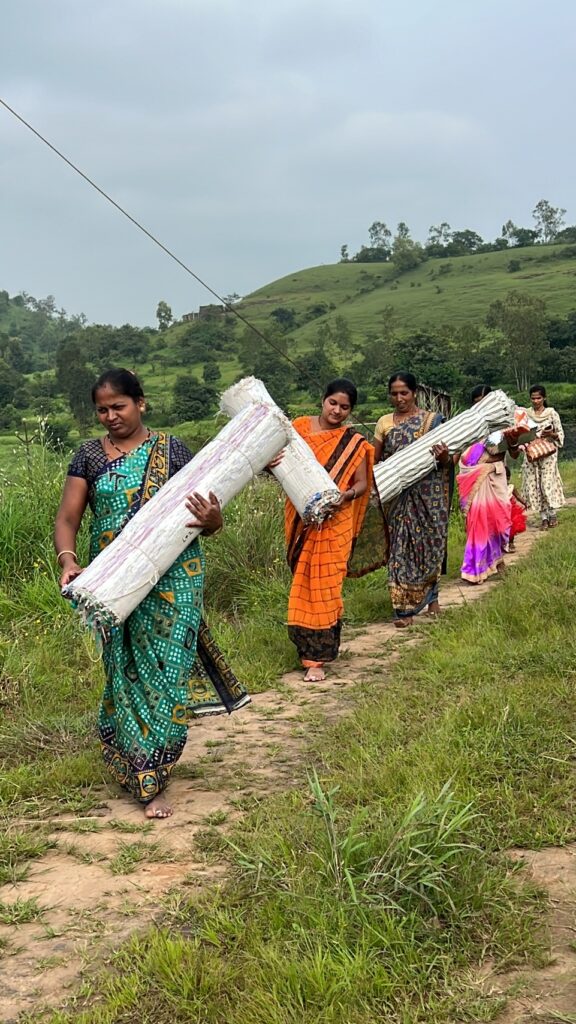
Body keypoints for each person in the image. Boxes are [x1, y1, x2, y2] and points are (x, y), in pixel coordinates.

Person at [54, 368, 248, 819]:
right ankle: (146, 777)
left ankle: (156, 765)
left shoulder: (173, 449)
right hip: (117, 582)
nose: (109, 417)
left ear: (141, 403)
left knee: (167, 671)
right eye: (101, 410)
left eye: (118, 406)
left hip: (176, 578)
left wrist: (214, 519)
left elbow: (209, 512)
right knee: (128, 670)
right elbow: (68, 518)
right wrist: (68, 560)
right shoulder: (88, 457)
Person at [284, 378, 373, 682]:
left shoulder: (353, 442)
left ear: (351, 410)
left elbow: (361, 484)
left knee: (326, 585)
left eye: (344, 407)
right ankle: (306, 648)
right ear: (322, 400)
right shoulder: (298, 429)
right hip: (302, 520)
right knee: (303, 582)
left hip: (336, 521)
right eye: (332, 403)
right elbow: (278, 464)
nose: (337, 411)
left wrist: (342, 497)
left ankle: (317, 659)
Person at [374, 372, 451, 627]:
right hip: (398, 498)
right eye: (394, 394)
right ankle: (403, 610)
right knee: (399, 549)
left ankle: (432, 598)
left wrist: (443, 458)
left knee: (428, 545)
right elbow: (375, 461)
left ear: (414, 393)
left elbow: (449, 461)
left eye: (404, 393)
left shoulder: (432, 421)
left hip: (429, 495)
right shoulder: (384, 422)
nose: (399, 398)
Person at [457, 385, 511, 583]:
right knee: (478, 523)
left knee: (496, 521)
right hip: (472, 477)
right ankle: (474, 570)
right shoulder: (467, 426)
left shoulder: (500, 427)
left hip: (493, 477)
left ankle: (497, 560)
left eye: (484, 401)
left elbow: (508, 452)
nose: (481, 406)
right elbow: (460, 452)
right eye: (477, 402)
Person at [521, 384, 565, 529]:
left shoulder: (552, 414)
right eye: (533, 398)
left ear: (544, 398)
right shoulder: (525, 414)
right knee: (535, 484)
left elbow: (560, 434)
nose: (535, 401)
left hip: (548, 453)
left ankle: (552, 514)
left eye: (538, 398)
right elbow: (520, 433)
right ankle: (543, 517)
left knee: (546, 483)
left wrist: (550, 434)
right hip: (532, 454)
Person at [505, 465, 527, 552]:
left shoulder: (511, 487)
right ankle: (502, 544)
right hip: (500, 510)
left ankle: (511, 543)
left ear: (509, 477)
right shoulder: (495, 487)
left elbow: (517, 496)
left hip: (511, 510)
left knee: (512, 527)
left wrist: (524, 502)